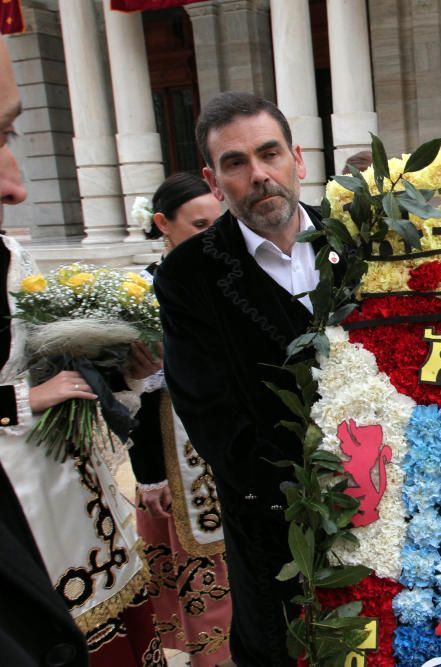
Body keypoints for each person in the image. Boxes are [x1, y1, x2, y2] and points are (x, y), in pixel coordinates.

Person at [155, 91, 342, 666]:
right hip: (272, 523)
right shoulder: (189, 276)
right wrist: (311, 495)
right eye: (235, 163)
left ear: (299, 159)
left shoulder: (362, 242)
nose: (258, 175)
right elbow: (210, 415)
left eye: (269, 153)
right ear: (214, 182)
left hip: (389, 503)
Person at [0, 38, 163, 667]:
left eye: (12, 133)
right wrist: (19, 400)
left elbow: (60, 374)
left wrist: (118, 377)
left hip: (77, 486)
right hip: (22, 510)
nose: (18, 187)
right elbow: (31, 389)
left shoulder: (18, 262)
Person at [131, 172, 232, 667]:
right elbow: (138, 401)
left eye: (219, 224)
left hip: (232, 439)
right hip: (178, 448)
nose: (212, 237)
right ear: (162, 225)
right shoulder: (141, 293)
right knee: (198, 561)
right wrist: (149, 473)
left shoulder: (234, 279)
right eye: (199, 226)